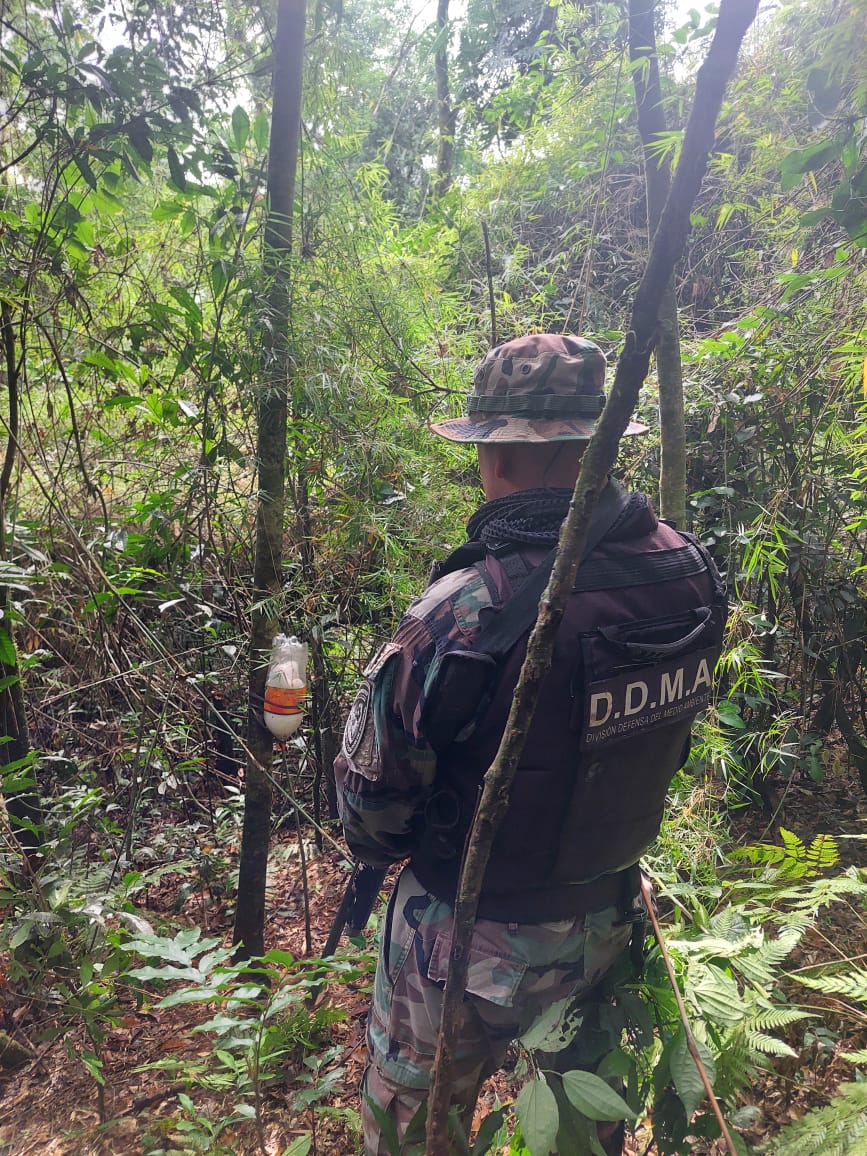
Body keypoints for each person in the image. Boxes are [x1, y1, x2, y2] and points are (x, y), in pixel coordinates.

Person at [334, 333, 727, 1155]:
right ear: (602, 439)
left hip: (461, 937)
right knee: (580, 1135)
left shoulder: (465, 605)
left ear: (498, 454)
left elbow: (370, 810)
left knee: (412, 1129)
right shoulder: (687, 570)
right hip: (606, 918)